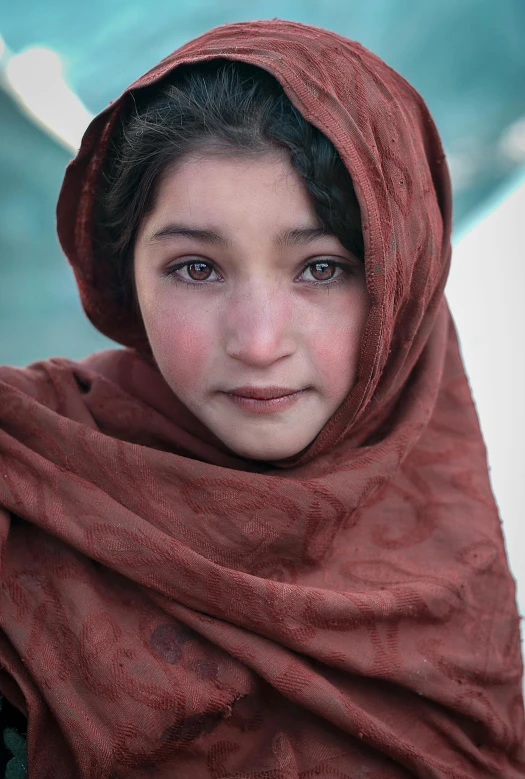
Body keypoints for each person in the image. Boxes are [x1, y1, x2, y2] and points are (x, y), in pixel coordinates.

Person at [0, 18, 523, 779]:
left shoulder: (463, 590)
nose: (256, 340)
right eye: (196, 269)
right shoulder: (25, 479)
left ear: (404, 281)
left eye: (320, 268)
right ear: (123, 276)